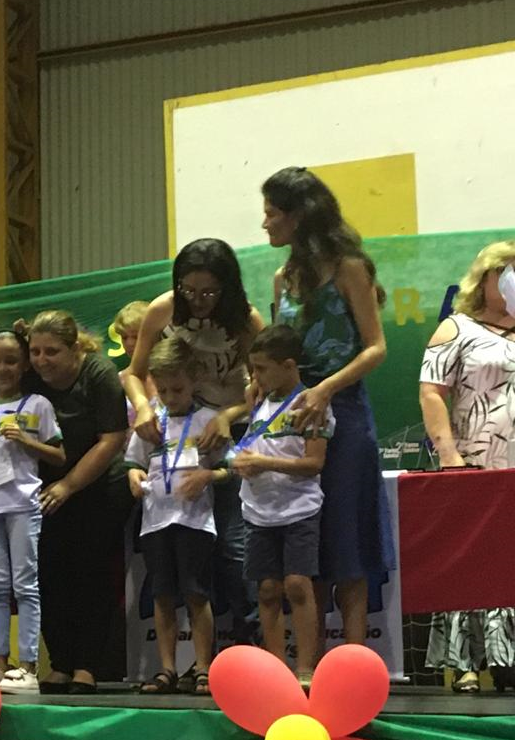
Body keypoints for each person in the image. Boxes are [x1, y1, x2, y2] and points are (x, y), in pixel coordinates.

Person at [262, 166, 395, 649]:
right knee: (305, 542)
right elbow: (279, 350)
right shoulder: (282, 279)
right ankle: (309, 665)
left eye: (272, 213)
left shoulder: (349, 270)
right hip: (295, 415)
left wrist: (325, 390)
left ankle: (356, 659)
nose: (265, 224)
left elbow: (375, 347)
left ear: (299, 217)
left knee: (348, 539)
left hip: (345, 410)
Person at [121, 239, 264, 654]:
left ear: (227, 288)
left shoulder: (246, 321)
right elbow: (134, 373)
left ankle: (248, 644)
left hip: (227, 433)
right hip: (175, 431)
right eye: (190, 292)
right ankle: (191, 659)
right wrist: (144, 408)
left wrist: (227, 415)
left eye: (209, 293)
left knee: (234, 548)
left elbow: (265, 386)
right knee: (182, 556)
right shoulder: (162, 310)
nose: (198, 301)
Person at [420, 241, 515, 692]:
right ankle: (467, 664)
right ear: (488, 277)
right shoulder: (456, 328)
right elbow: (431, 391)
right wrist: (449, 456)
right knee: (472, 560)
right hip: (475, 463)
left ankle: (509, 661)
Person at [27, 310, 134, 693]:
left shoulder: (99, 374)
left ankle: (87, 666)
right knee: (50, 576)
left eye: (51, 352)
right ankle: (60, 663)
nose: (41, 360)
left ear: (74, 349)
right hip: (46, 489)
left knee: (90, 575)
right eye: (35, 351)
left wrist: (69, 485)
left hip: (96, 485)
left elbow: (112, 439)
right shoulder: (30, 375)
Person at [0, 323, 64, 694]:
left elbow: (59, 454)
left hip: (23, 503)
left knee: (25, 583)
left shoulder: (38, 405)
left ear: (24, 366)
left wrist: (26, 440)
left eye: (10, 361)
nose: (2, 368)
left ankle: (28, 666)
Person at [125, 336, 227, 694]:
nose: (170, 397)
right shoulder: (152, 419)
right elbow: (134, 463)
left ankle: (203, 667)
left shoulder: (208, 420)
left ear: (195, 380)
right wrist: (134, 477)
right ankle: (166, 667)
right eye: (163, 390)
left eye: (178, 389)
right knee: (163, 594)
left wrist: (208, 475)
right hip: (156, 519)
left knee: (196, 593)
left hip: (194, 521)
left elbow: (229, 467)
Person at [232, 325, 332, 684]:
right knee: (268, 589)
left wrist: (265, 464)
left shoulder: (311, 403)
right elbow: (249, 445)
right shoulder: (259, 401)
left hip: (298, 509)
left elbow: (314, 464)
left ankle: (306, 666)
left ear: (289, 365)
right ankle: (276, 669)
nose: (254, 376)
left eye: (261, 368)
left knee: (296, 584)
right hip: (258, 510)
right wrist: (241, 460)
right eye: (252, 369)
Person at [111, 300, 155, 424]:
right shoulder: (116, 381)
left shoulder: (175, 374)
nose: (129, 343)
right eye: (124, 337)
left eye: (136, 336)